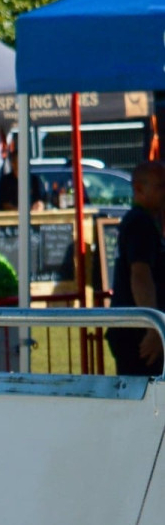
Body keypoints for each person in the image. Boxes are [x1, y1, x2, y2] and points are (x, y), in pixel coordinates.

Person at [106, 158, 165, 377]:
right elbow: (140, 276)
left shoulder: (144, 221)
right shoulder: (140, 222)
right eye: (160, 186)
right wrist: (153, 327)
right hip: (137, 333)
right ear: (139, 188)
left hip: (132, 327)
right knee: (146, 399)